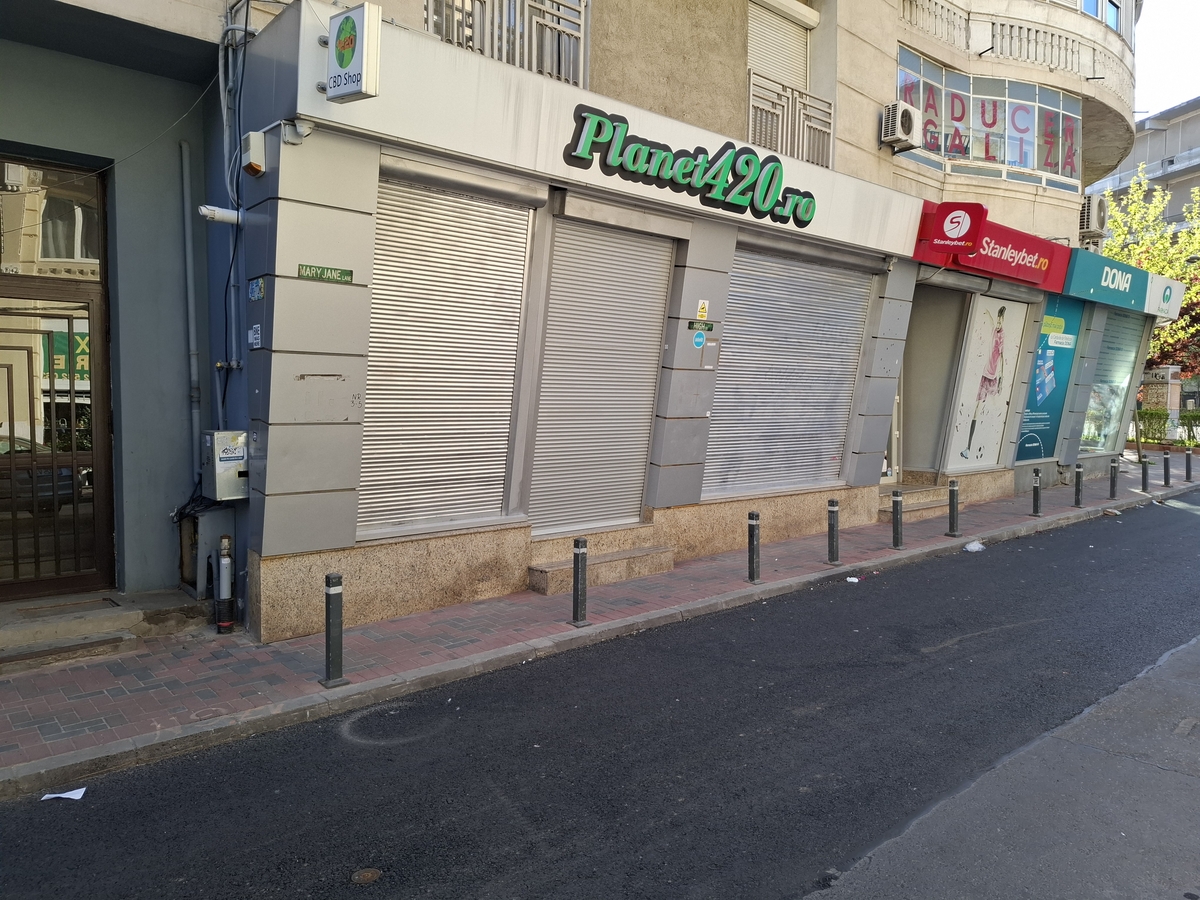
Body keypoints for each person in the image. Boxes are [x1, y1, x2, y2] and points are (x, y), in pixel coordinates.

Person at [961, 306, 1005, 459]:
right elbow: (992, 321)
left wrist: (1001, 380)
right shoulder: (994, 330)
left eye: (1000, 322)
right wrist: (987, 312)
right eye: (997, 322)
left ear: (1003, 322)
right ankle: (968, 447)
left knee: (993, 408)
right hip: (984, 376)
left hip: (993, 379)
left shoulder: (1002, 337)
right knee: (977, 409)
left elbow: (1002, 359)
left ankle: (993, 446)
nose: (998, 324)